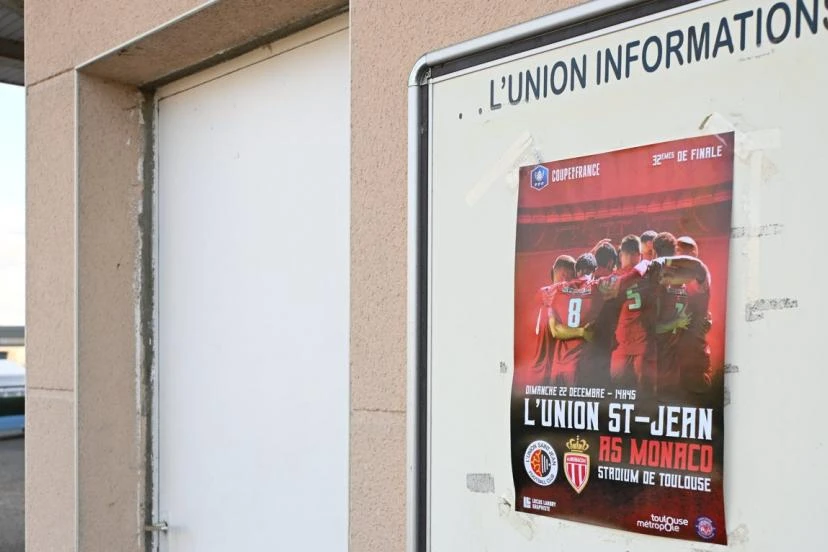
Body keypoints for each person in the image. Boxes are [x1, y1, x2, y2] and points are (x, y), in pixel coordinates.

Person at [547, 256, 605, 386]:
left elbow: (555, 330)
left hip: (558, 366)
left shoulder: (555, 292)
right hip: (581, 366)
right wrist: (582, 332)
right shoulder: (597, 290)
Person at [652, 232, 691, 393]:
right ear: (675, 252)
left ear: (654, 252)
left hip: (660, 356)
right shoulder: (685, 279)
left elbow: (653, 327)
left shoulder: (655, 282)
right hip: (676, 353)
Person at [674, 236, 713, 395]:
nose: (683, 258)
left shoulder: (699, 276)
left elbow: (698, 269)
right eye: (679, 253)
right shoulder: (667, 278)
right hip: (670, 357)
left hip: (693, 355)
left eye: (687, 255)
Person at [529, 256, 577, 384]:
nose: (575, 282)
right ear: (565, 275)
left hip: (534, 373)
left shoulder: (542, 293)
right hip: (544, 374)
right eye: (574, 277)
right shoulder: (555, 297)